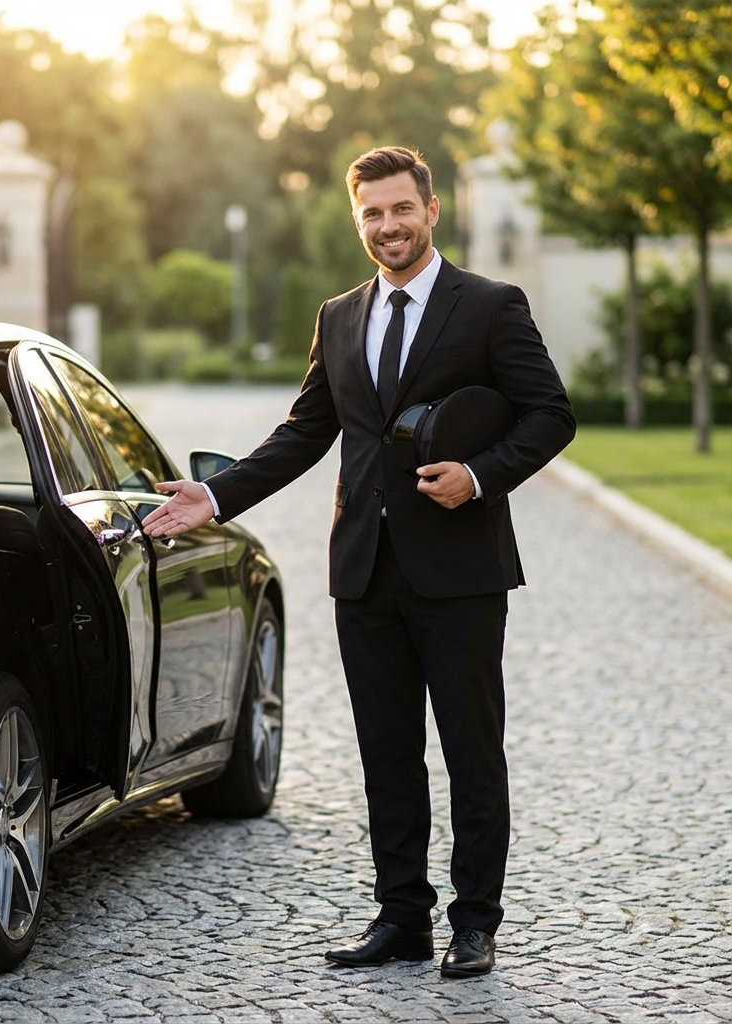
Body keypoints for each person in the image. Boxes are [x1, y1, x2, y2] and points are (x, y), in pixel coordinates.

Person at [142, 146, 576, 978]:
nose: (388, 226)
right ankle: (401, 917)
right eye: (372, 213)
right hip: (364, 571)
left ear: (431, 210)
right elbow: (306, 431)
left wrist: (480, 475)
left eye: (401, 208)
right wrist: (218, 494)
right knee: (386, 752)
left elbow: (550, 413)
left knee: (471, 751)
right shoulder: (339, 316)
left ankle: (475, 923)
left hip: (461, 572)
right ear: (358, 221)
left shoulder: (490, 306)